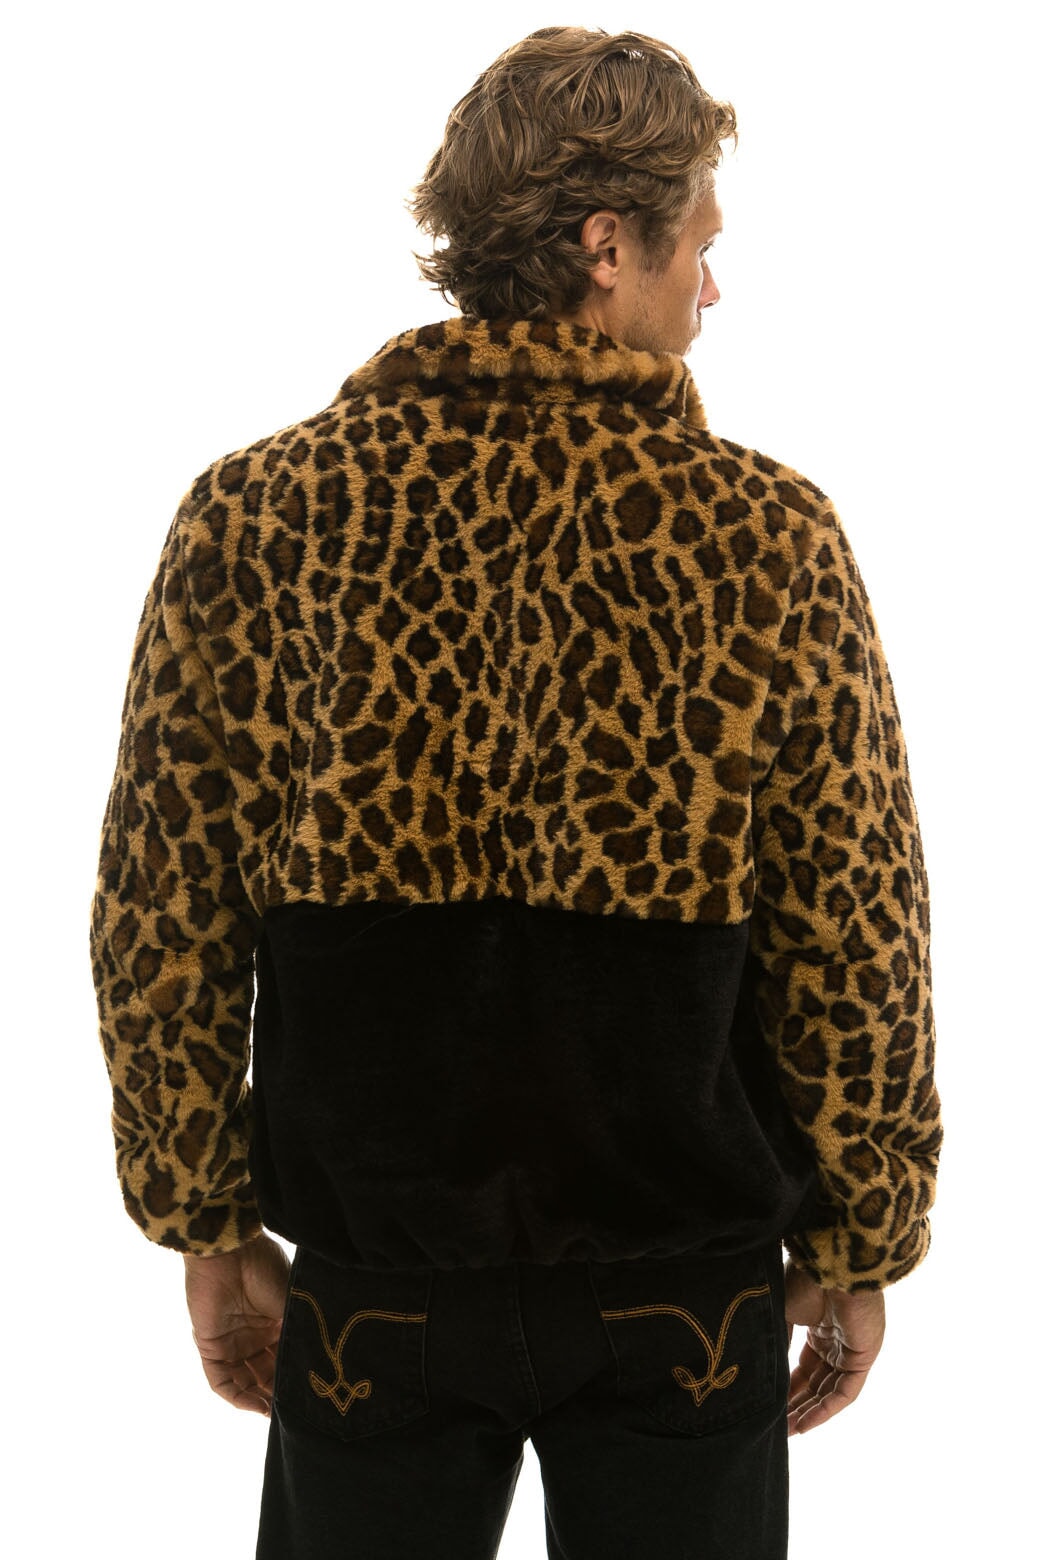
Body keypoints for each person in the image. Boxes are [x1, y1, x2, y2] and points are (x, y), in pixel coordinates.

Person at [88, 25, 942, 1560]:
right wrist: (861, 1233)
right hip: (682, 1296)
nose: (714, 290)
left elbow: (163, 905)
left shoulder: (260, 515)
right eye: (702, 246)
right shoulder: (767, 537)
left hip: (378, 1286)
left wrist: (203, 1223)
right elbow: (855, 927)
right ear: (611, 246)